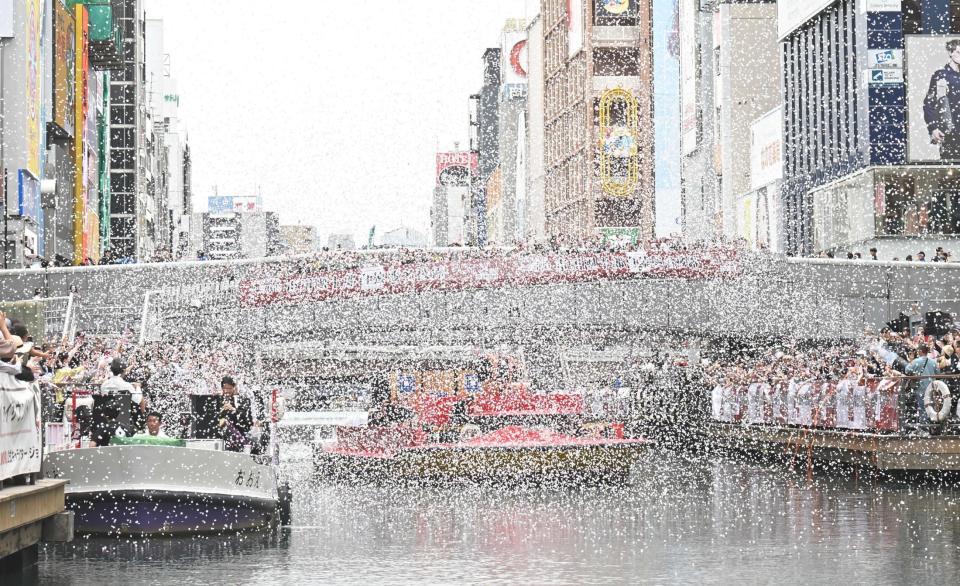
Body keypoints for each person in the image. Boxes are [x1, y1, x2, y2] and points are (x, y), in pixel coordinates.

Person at [924, 39, 960, 161]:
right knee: (952, 172)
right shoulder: (941, 75)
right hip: (950, 132)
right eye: (959, 52)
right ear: (950, 52)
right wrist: (933, 127)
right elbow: (929, 103)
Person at [218, 375, 255, 452]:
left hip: (239, 433)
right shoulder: (218, 400)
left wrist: (233, 409)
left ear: (234, 387)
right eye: (225, 388)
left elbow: (248, 420)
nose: (227, 391)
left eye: (229, 388)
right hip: (221, 436)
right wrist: (222, 410)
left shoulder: (243, 400)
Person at [906, 344, 938, 423]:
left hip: (921, 388)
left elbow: (907, 370)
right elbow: (938, 373)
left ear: (920, 351)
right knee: (931, 408)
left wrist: (910, 360)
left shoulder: (916, 361)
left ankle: (924, 428)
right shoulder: (933, 362)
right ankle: (932, 427)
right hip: (932, 388)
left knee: (922, 408)